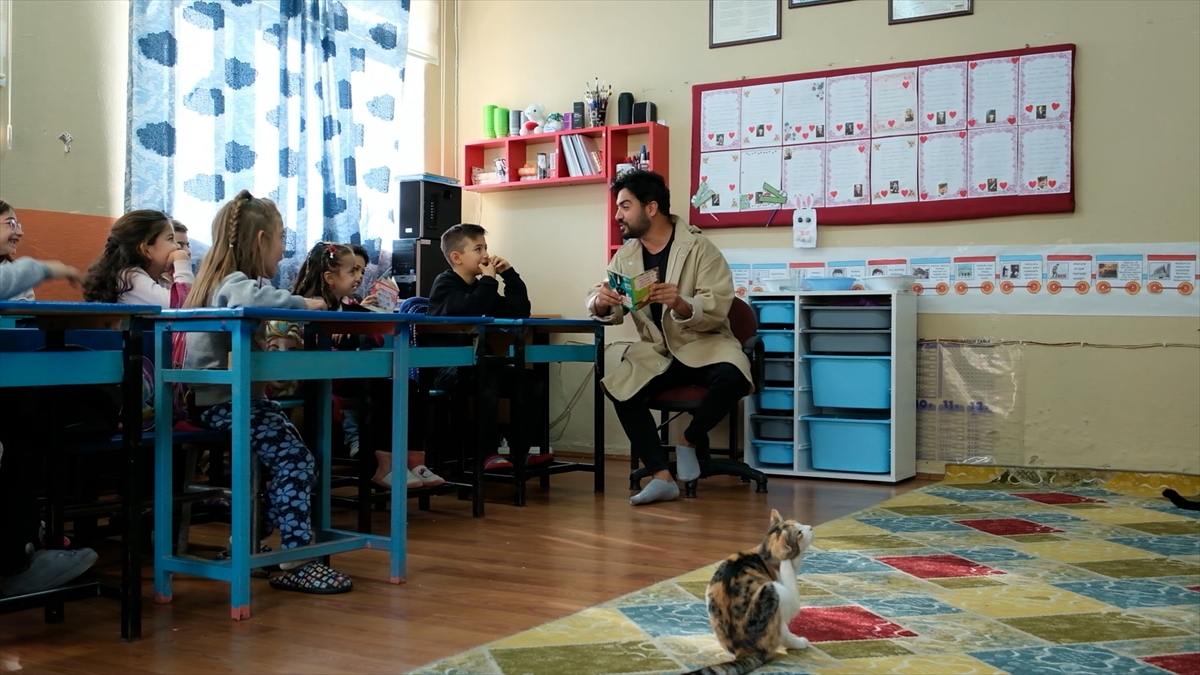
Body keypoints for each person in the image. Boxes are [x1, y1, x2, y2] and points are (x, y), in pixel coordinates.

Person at [182, 189, 352, 594]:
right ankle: (296, 559)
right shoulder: (231, 282)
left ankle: (247, 547)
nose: (283, 249)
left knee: (294, 460)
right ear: (261, 240)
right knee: (297, 462)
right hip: (225, 403)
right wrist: (305, 304)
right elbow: (248, 299)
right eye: (281, 238)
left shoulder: (220, 280)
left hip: (237, 400)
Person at [586, 170, 751, 506]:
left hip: (702, 344)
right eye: (618, 207)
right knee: (620, 388)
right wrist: (600, 302)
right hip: (659, 352)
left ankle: (689, 441)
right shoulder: (625, 257)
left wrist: (681, 303)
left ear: (651, 208)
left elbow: (718, 303)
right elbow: (609, 304)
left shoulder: (699, 248)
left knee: (734, 375)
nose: (618, 215)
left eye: (625, 206)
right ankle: (661, 477)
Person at [427, 223, 547, 472]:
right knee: (487, 376)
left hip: (476, 366)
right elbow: (471, 310)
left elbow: (518, 312)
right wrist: (489, 281)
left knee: (531, 380)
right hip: (445, 368)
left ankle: (520, 451)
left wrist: (509, 276)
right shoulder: (445, 283)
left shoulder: (481, 288)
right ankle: (486, 453)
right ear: (457, 257)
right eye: (478, 249)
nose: (486, 255)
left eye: (486, 248)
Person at [82, 210, 192, 307]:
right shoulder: (129, 278)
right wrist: (181, 263)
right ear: (146, 250)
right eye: (170, 239)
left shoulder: (159, 280)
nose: (177, 247)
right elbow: (183, 305)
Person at [1, 200, 80, 301]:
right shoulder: (20, 276)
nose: (20, 232)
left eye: (18, 225)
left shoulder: (21, 278)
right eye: (11, 224)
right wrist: (45, 269)